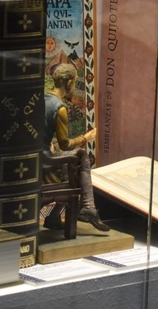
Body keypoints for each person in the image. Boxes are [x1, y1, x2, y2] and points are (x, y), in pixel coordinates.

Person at [43, 63, 110, 231]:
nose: (74, 87)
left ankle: (57, 216)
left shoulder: (43, 99)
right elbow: (65, 144)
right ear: (69, 83)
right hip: (45, 162)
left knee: (74, 163)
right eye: (74, 83)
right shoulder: (60, 108)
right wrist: (85, 138)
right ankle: (88, 206)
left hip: (38, 156)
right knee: (80, 156)